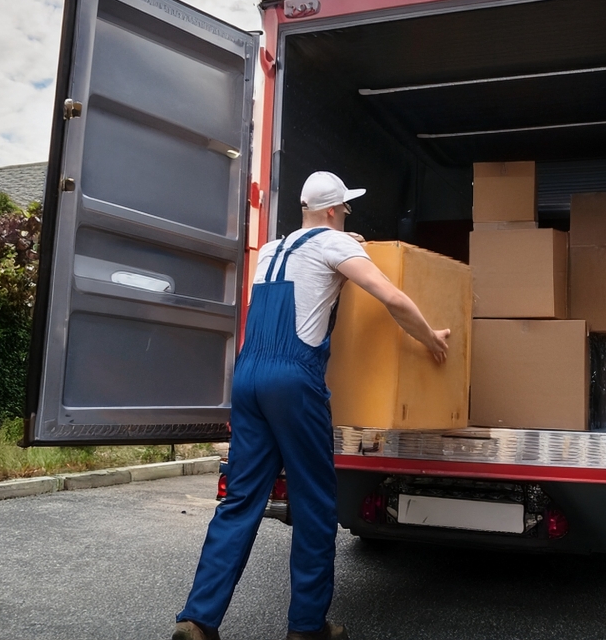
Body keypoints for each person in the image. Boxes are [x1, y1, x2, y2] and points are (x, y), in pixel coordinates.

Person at [172, 171, 452, 640]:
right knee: (315, 503)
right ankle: (307, 627)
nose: (346, 216)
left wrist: (348, 240)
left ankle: (197, 620)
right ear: (333, 210)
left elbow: (316, 251)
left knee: (240, 501)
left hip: (248, 377)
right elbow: (392, 298)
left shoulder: (271, 250)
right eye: (345, 209)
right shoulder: (334, 245)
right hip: (292, 381)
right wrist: (430, 338)